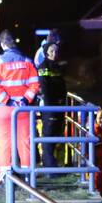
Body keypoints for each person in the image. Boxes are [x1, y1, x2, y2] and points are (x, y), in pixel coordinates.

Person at [0, 30, 39, 183]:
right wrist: (25, 99)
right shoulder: (27, 61)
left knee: (3, 142)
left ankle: (4, 177)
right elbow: (35, 84)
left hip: (4, 109)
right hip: (23, 109)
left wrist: (7, 101)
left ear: (2, 44)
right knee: (26, 141)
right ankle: (28, 176)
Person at [37, 41, 67, 169]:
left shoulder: (57, 66)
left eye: (56, 51)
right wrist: (51, 107)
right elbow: (45, 87)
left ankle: (54, 165)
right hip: (50, 107)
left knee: (56, 135)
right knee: (48, 136)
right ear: (46, 53)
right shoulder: (44, 66)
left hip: (59, 106)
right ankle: (49, 167)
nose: (54, 54)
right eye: (51, 51)